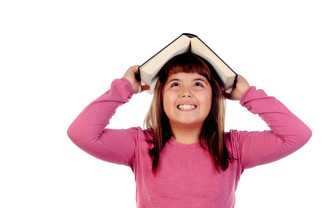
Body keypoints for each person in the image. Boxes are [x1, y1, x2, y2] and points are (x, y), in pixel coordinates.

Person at [67, 53, 312, 208]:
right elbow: (81, 133)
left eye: (198, 83)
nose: (187, 92)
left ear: (215, 97)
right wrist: (124, 88)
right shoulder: (139, 144)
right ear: (160, 97)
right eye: (175, 84)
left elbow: (296, 134)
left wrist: (248, 95)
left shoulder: (234, 147)